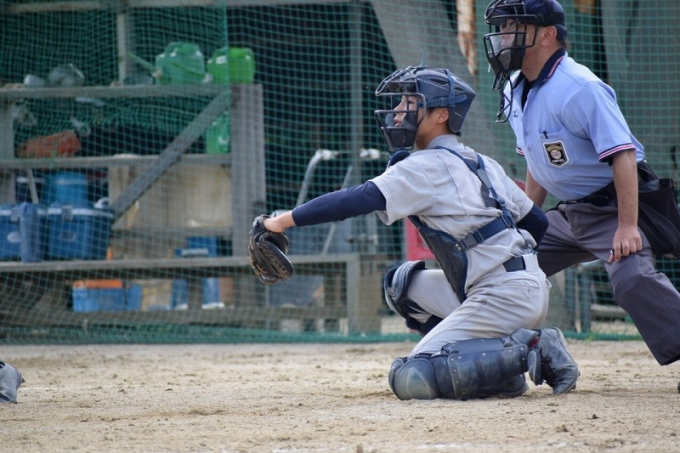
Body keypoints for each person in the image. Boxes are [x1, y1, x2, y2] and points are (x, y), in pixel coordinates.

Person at [255, 65, 579, 400]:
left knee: (411, 377)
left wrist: (279, 222)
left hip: (501, 296)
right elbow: (537, 223)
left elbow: (356, 199)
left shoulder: (424, 165)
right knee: (403, 287)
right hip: (516, 286)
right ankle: (499, 372)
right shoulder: (482, 162)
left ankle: (532, 347)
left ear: (441, 114)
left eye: (410, 102)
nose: (398, 111)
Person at [483, 0, 680, 366]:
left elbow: (623, 156)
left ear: (547, 35)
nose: (502, 35)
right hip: (568, 214)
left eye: (513, 26)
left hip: (613, 209)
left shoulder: (579, 86)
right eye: (502, 26)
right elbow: (537, 162)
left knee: (633, 281)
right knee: (504, 267)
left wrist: (627, 226)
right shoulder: (513, 87)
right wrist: (527, 222)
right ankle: (500, 359)